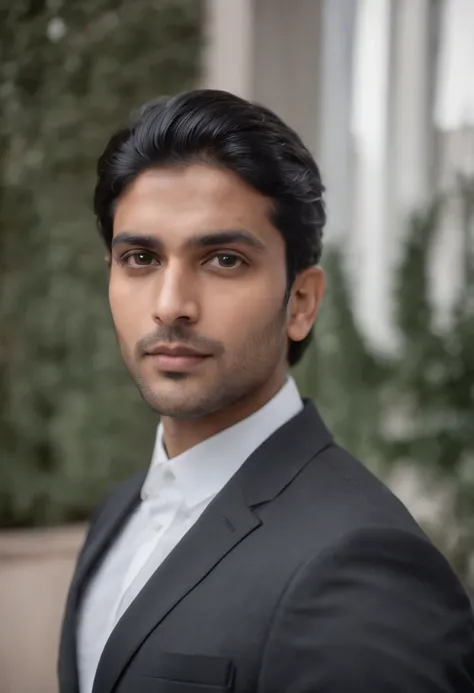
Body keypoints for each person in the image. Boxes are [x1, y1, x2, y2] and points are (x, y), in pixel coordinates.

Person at [58, 89, 474, 693]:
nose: (171, 305)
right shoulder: (119, 514)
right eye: (141, 257)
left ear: (300, 302)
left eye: (223, 259)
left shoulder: (362, 568)